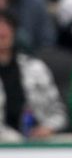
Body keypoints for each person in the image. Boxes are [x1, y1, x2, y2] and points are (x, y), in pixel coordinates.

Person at [0, 11, 67, 143]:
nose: (2, 32)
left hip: (37, 140)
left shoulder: (35, 68)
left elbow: (59, 112)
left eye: (6, 26)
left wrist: (48, 128)